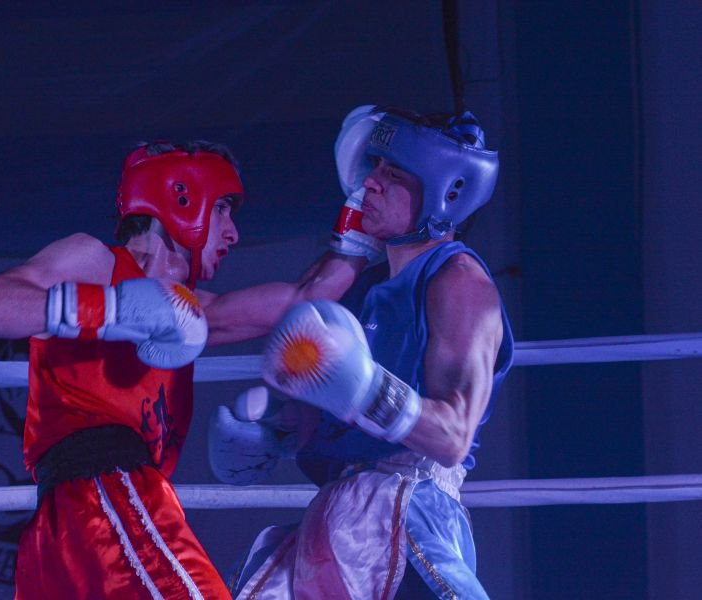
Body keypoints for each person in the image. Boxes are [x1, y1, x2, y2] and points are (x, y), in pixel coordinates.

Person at [0, 140, 363, 599]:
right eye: (223, 211)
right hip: (105, 493)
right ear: (183, 199)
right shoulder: (97, 262)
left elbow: (304, 300)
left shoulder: (190, 314)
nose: (232, 234)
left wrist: (362, 224)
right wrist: (113, 309)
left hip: (70, 525)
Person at [209, 106, 515, 599]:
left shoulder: (459, 281)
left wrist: (364, 388)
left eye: (391, 174)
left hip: (409, 510)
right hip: (336, 514)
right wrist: (274, 435)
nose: (368, 184)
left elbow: (454, 434)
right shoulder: (365, 289)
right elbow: (340, 410)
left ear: (445, 191)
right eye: (373, 167)